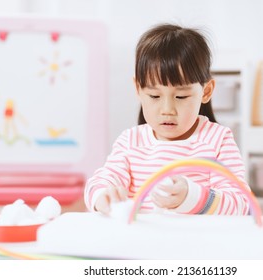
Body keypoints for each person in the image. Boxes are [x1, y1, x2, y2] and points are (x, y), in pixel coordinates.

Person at [84, 23, 250, 216]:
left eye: (181, 97)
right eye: (155, 96)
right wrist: (103, 196)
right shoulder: (131, 141)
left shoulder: (218, 140)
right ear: (138, 89)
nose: (167, 110)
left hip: (197, 242)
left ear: (206, 91)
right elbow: (102, 181)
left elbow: (240, 203)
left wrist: (192, 197)